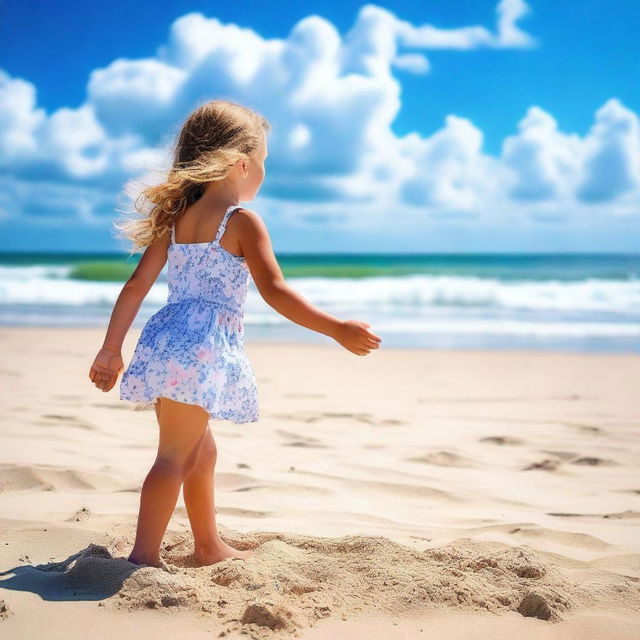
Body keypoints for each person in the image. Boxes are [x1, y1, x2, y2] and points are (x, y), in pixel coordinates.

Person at [88, 99, 382, 568]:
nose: (264, 173)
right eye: (264, 162)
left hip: (167, 340)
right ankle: (143, 558)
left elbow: (136, 286)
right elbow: (276, 291)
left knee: (200, 452)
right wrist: (336, 328)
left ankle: (208, 546)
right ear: (241, 164)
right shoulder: (241, 221)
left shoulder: (175, 222)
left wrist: (111, 348)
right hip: (201, 348)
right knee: (173, 457)